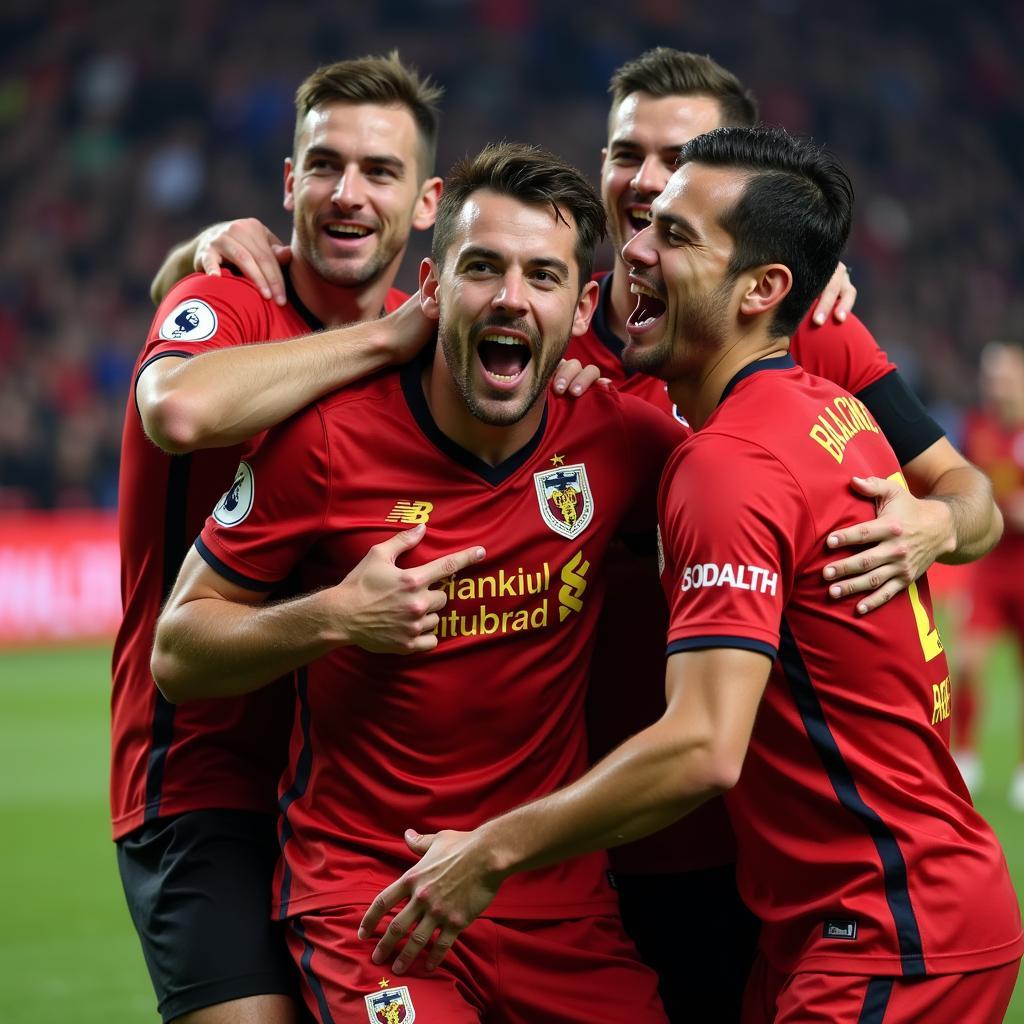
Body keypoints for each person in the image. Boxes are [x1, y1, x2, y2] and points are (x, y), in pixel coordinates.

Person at [361, 126, 1024, 1024]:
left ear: (763, 289)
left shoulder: (730, 464)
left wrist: (488, 852)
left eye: (675, 235)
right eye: (647, 224)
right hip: (876, 913)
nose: (634, 244)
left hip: (884, 933)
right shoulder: (823, 406)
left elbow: (704, 747)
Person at [152, 142, 683, 1023]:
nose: (511, 297)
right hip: (373, 901)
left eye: (543, 276)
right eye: (483, 267)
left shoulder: (617, 441)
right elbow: (178, 651)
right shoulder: (324, 442)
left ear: (584, 305)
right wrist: (334, 618)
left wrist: (932, 509)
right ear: (433, 287)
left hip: (553, 906)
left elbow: (767, 473)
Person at [579, 47, 1002, 1021]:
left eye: (673, 157)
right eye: (624, 153)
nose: (643, 180)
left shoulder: (806, 338)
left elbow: (967, 491)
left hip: (751, 844)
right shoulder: (532, 328)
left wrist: (934, 521)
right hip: (598, 830)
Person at [113, 53, 463, 1024]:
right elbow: (177, 409)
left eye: (380, 172)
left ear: (426, 201)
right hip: (202, 782)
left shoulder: (436, 340)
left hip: (359, 797)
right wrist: (385, 339)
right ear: (288, 182)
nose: (348, 193)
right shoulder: (230, 300)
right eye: (324, 165)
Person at [954, 339, 1024, 804]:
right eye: (988, 375)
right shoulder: (976, 427)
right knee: (965, 661)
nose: (993, 384)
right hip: (990, 567)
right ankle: (965, 757)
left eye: (1002, 375)